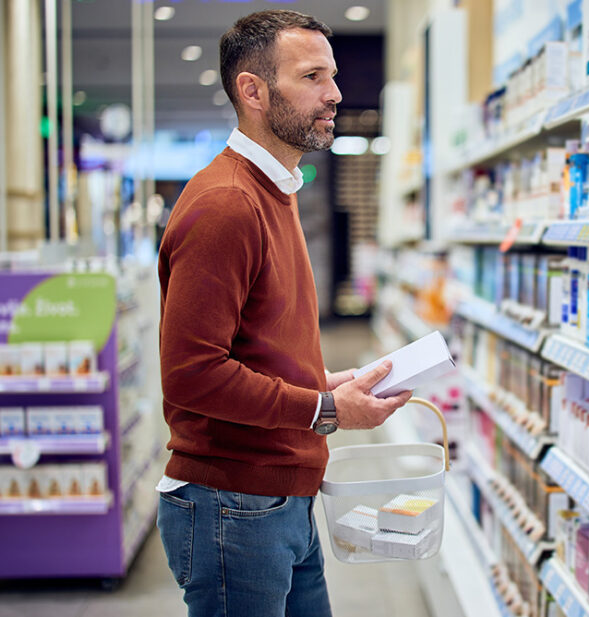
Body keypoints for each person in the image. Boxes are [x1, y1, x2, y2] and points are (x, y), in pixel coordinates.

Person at [155, 10, 412, 617]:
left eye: (334, 74)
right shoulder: (227, 204)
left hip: (278, 496)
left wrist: (325, 383)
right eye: (313, 76)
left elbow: (252, 349)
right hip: (233, 505)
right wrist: (324, 409)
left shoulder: (277, 190)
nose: (336, 94)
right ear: (253, 91)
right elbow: (191, 374)